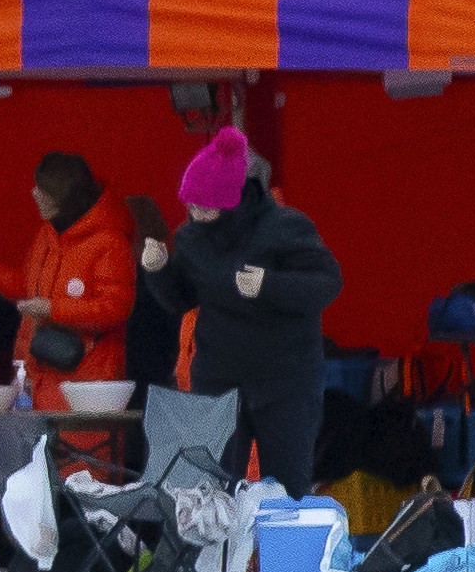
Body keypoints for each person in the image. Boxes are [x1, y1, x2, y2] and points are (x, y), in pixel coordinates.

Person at [133, 125, 343, 494]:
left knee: (286, 489)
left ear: (229, 201)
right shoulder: (190, 238)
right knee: (211, 488)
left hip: (286, 380)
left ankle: (285, 552)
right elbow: (182, 299)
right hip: (219, 378)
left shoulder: (284, 227)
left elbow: (326, 282)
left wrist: (269, 285)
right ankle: (220, 553)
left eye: (202, 205)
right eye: (188, 204)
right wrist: (158, 270)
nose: (193, 212)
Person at [0, 150, 137, 409]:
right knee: (39, 448)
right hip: (40, 372)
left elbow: (115, 308)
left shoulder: (110, 243)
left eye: (42, 188)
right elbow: (27, 287)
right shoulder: (47, 234)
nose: (34, 193)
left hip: (87, 382)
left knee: (78, 449)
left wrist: (52, 309)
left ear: (64, 196)